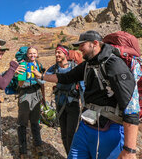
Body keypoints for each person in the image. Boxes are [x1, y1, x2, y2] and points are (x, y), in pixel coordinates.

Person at [33, 30, 139, 159]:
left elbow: (131, 107)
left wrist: (129, 150)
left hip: (110, 129)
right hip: (86, 125)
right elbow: (66, 77)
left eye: (82, 45)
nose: (79, 49)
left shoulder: (114, 64)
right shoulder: (88, 65)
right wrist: (43, 76)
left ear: (94, 43)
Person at [45, 44, 82, 155]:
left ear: (65, 54)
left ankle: (75, 156)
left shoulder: (74, 67)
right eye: (56, 52)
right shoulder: (54, 68)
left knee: (72, 133)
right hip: (60, 104)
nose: (56, 55)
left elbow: (83, 84)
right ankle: (69, 155)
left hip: (73, 104)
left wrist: (85, 103)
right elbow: (44, 78)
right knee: (64, 134)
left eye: (59, 52)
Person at [17, 46, 45, 159]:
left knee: (35, 121)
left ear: (37, 54)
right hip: (25, 94)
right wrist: (24, 73)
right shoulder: (22, 65)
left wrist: (43, 97)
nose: (32, 55)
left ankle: (38, 144)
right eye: (30, 53)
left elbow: (42, 83)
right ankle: (23, 149)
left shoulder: (39, 65)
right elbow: (19, 84)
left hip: (37, 94)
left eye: (34, 53)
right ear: (27, 54)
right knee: (22, 122)